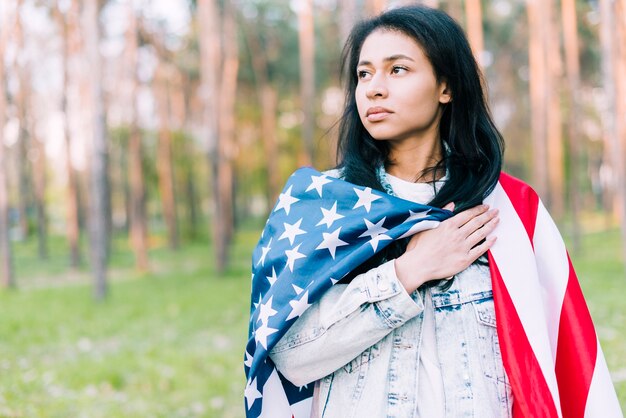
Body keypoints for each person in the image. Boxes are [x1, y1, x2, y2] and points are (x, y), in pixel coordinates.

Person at [244, 5, 622, 418]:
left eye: (398, 69)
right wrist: (409, 271)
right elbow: (292, 357)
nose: (373, 88)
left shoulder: (509, 211)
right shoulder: (323, 206)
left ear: (446, 86)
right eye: (364, 74)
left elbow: (559, 359)